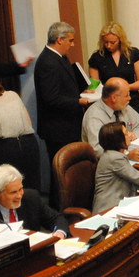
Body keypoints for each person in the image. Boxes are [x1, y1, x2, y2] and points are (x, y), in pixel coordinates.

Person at [35, 22, 88, 204]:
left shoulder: (60, 58)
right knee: (60, 172)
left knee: (70, 170)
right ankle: (60, 209)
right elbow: (50, 98)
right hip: (58, 128)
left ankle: (72, 204)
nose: (72, 45)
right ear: (60, 39)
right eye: (70, 41)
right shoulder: (47, 62)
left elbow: (66, 86)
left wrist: (82, 91)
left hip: (69, 124)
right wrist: (77, 101)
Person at [0, 73, 41, 192]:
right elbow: (29, 123)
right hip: (30, 144)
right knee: (32, 186)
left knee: (11, 189)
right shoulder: (13, 94)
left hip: (8, 148)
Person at [0, 164, 68, 238]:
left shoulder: (31, 198)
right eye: (13, 192)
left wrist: (59, 233)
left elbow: (56, 218)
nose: (19, 195)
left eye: (21, 189)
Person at [87, 22, 139, 117]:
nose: (108, 46)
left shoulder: (133, 53)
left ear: (120, 40)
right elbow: (94, 85)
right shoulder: (97, 57)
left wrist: (123, 89)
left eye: (112, 42)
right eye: (106, 42)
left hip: (131, 100)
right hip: (109, 103)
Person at [83, 77, 139, 158]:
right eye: (126, 95)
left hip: (128, 160)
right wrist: (126, 155)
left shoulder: (124, 107)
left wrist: (134, 135)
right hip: (106, 166)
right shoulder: (94, 116)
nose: (129, 98)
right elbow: (97, 150)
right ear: (114, 98)